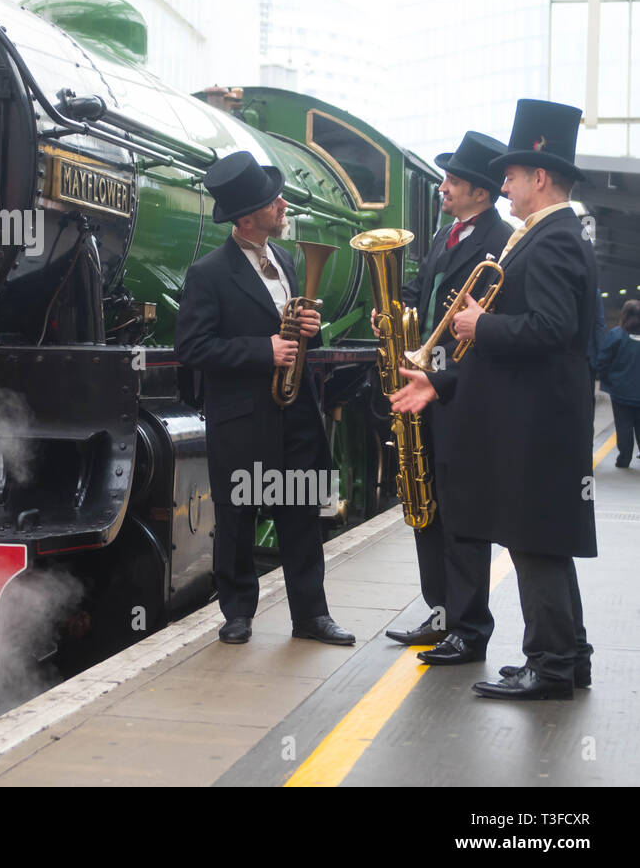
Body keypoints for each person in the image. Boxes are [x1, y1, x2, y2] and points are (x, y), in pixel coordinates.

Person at [392, 99, 597, 700]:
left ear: (539, 177)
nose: (502, 186)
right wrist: (441, 379)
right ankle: (567, 656)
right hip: (530, 417)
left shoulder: (554, 239)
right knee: (544, 541)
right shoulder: (546, 234)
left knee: (535, 542)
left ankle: (552, 665)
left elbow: (553, 328)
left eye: (509, 176)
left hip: (537, 423)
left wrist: (480, 326)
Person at [175, 150, 354, 647]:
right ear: (247, 216)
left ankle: (312, 616)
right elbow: (191, 347)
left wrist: (310, 332)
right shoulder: (208, 273)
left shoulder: (288, 261)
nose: (281, 205)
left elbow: (297, 337)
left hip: (295, 411)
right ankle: (237, 614)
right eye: (270, 201)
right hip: (242, 416)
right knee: (238, 516)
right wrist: (262, 350)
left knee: (300, 512)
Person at [382, 131, 512, 667]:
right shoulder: (446, 236)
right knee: (424, 501)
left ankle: (469, 627)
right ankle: (440, 615)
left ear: (480, 192)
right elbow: (422, 289)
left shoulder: (500, 240)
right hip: (422, 383)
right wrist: (394, 310)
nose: (444, 188)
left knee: (461, 513)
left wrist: (441, 372)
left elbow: (485, 324)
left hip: (458, 389)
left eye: (453, 181)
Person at [600, 299, 640, 468]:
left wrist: (608, 381)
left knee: (623, 427)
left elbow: (603, 360)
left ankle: (624, 459)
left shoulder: (617, 335)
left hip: (621, 392)